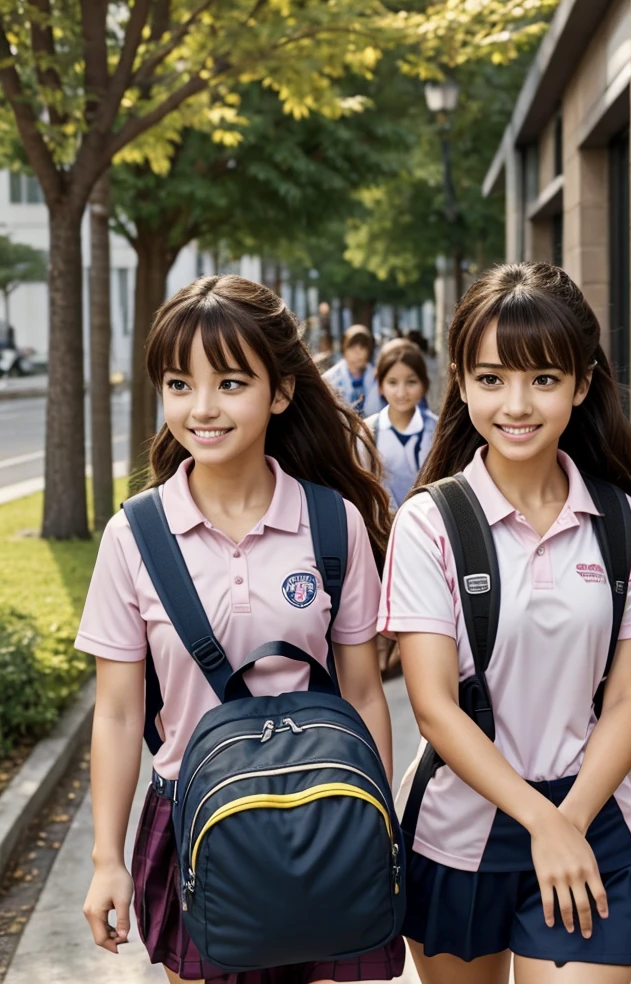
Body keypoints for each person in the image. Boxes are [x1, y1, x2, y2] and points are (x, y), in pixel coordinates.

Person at [78, 275, 404, 984]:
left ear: (280, 392)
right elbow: (117, 710)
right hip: (195, 823)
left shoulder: (332, 522)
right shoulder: (134, 536)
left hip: (329, 819)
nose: (201, 408)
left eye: (230, 382)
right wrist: (107, 857)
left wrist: (376, 828)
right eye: (178, 383)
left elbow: (365, 693)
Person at [379, 262, 631, 984]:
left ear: (581, 384)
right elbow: (434, 710)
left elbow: (630, 698)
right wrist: (539, 822)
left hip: (589, 812)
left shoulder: (619, 520)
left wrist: (566, 821)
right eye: (491, 379)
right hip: (458, 831)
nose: (516, 404)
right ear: (460, 380)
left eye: (543, 379)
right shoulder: (429, 524)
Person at [364, 339, 438, 512]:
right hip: (381, 532)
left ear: (423, 384)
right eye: (392, 382)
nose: (401, 392)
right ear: (380, 385)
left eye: (411, 382)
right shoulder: (367, 432)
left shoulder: (440, 431)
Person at [323, 324, 382, 417]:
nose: (358, 353)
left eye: (362, 347)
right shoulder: (330, 379)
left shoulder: (377, 377)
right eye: (353, 347)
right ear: (344, 349)